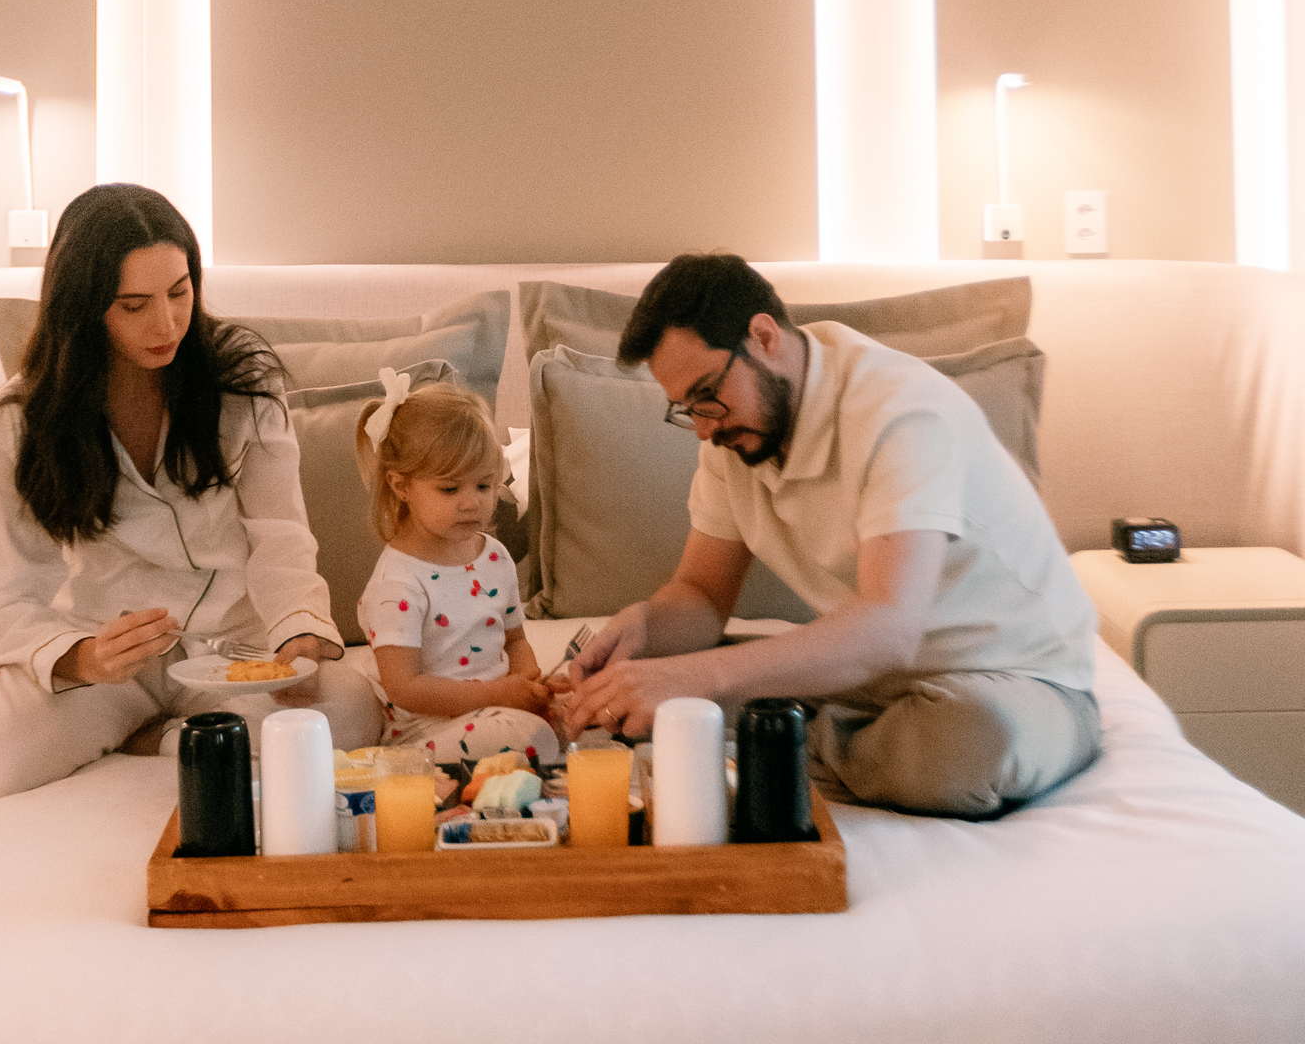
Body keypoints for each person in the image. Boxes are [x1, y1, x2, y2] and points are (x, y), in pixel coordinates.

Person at [562, 253, 1101, 818]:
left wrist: (698, 678)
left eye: (707, 395)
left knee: (969, 745)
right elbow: (701, 594)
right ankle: (798, 733)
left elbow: (889, 627)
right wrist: (645, 630)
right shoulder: (734, 439)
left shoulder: (901, 411)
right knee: (654, 690)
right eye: (685, 409)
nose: (703, 427)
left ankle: (785, 740)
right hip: (872, 682)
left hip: (1018, 682)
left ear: (764, 337)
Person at [0, 183, 381, 800]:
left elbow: (282, 539)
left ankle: (159, 737)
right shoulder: (21, 422)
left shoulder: (242, 383)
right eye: (134, 305)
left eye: (179, 292)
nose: (166, 324)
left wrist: (297, 633)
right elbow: (6, 598)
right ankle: (153, 723)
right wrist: (81, 658)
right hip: (107, 658)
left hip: (231, 651)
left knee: (346, 712)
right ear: (83, 308)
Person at [352, 370, 559, 763]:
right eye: (450, 489)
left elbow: (514, 641)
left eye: (483, 486)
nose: (471, 503)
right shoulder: (398, 581)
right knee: (534, 739)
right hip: (427, 730)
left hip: (493, 710)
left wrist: (531, 687)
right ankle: (400, 768)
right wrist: (498, 695)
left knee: (565, 722)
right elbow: (404, 688)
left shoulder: (494, 556)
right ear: (401, 487)